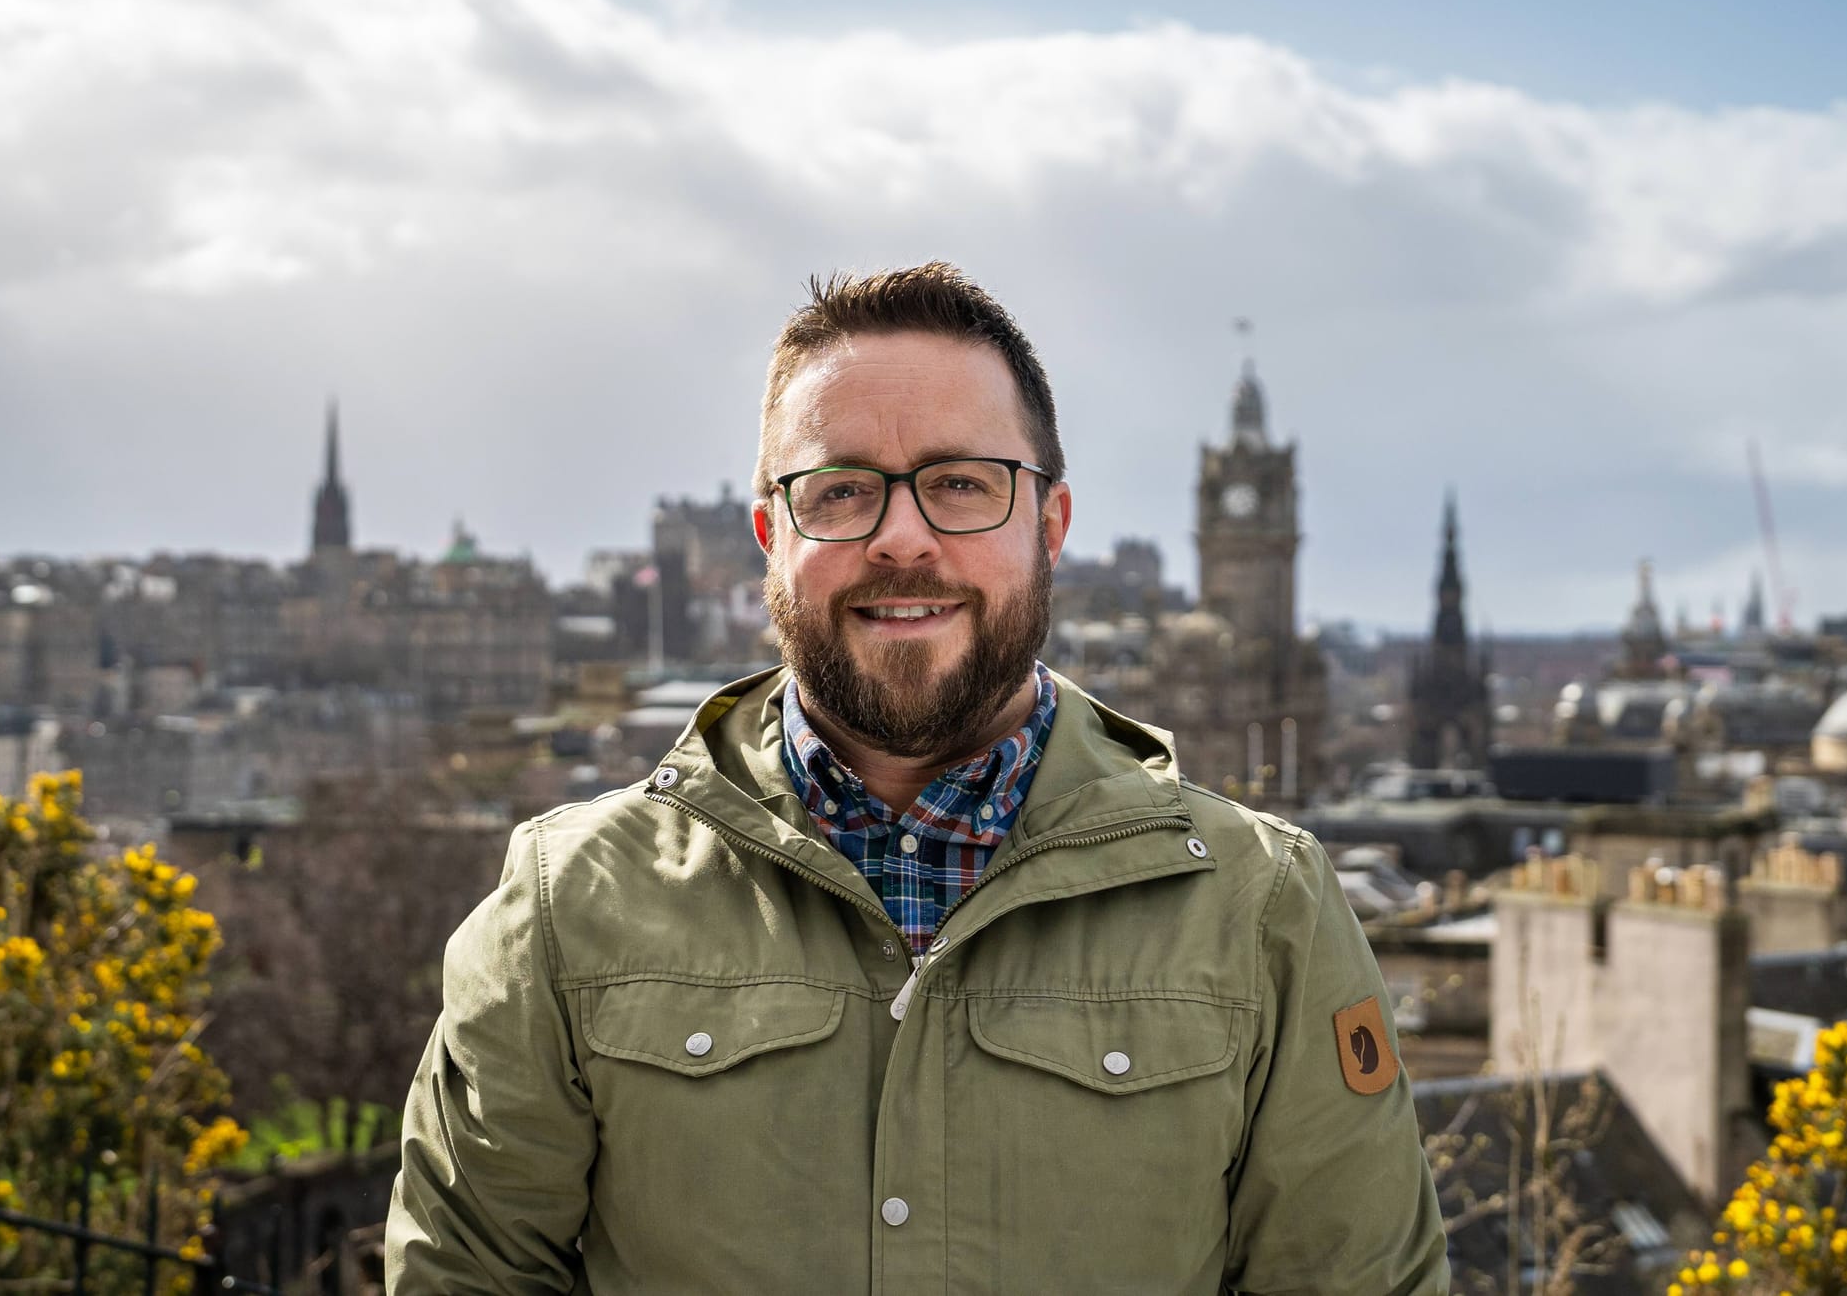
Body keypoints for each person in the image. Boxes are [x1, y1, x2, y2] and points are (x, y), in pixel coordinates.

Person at [385, 262, 1449, 1294]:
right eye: (840, 490)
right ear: (769, 535)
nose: (903, 537)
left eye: (959, 484)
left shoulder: (1266, 909)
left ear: (1050, 526)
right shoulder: (565, 907)